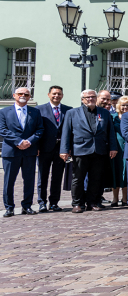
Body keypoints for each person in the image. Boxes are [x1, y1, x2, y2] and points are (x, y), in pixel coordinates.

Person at [60, 89, 118, 213]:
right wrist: (64, 150)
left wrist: (113, 148)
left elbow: (110, 132)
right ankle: (77, 203)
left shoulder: (104, 113)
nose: (91, 99)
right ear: (82, 99)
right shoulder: (72, 113)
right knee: (78, 178)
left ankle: (92, 202)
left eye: (93, 97)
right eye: (88, 97)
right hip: (80, 149)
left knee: (96, 178)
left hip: (99, 150)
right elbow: (66, 133)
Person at [0, 86, 44, 217]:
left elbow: (40, 130)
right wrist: (19, 141)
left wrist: (29, 141)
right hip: (11, 151)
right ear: (14, 95)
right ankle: (9, 207)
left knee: (29, 180)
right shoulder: (4, 112)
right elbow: (2, 130)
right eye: (20, 93)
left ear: (30, 97)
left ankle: (27, 206)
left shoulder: (35, 112)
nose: (23, 96)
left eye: (26, 94)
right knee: (9, 181)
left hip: (29, 151)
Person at [35, 85, 71, 213]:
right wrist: (37, 147)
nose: (57, 96)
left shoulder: (68, 110)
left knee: (57, 177)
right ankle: (42, 203)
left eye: (59, 94)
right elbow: (36, 129)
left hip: (61, 150)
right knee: (42, 177)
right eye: (54, 93)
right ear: (48, 94)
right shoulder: (39, 109)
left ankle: (54, 202)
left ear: (62, 95)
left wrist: (68, 149)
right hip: (44, 149)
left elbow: (70, 131)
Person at [110, 95, 128, 207]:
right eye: (123, 105)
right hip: (116, 148)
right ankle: (115, 198)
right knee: (116, 172)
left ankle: (125, 198)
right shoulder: (113, 117)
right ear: (119, 106)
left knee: (127, 173)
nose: (125, 107)